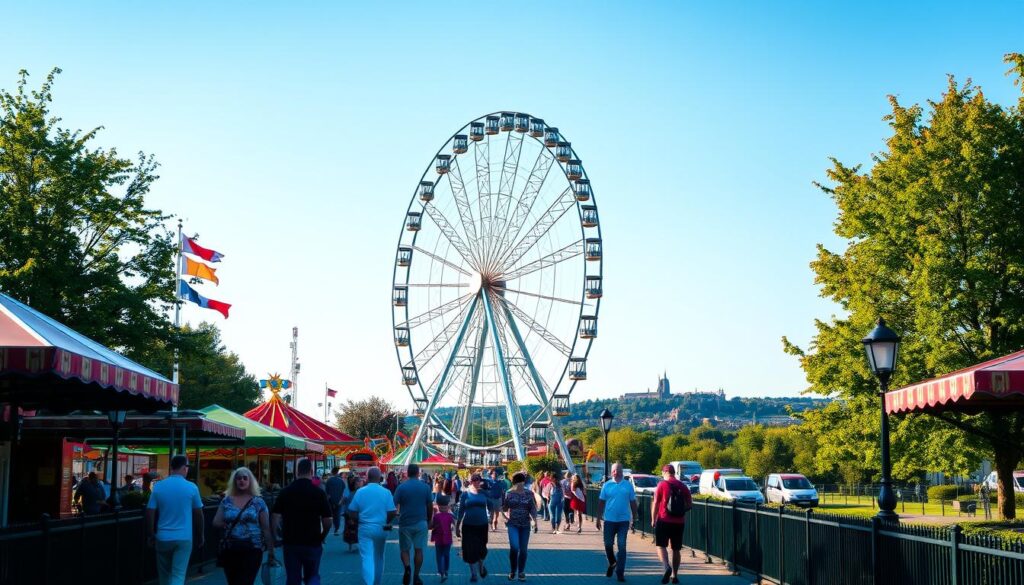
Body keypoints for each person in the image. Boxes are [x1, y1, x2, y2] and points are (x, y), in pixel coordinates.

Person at [271, 458, 332, 585]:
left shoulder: (285, 492)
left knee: (293, 578)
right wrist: (322, 536)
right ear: (311, 471)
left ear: (296, 472)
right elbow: (327, 520)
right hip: (313, 541)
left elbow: (275, 517)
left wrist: (277, 535)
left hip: (291, 542)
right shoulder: (319, 493)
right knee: (313, 576)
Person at [146, 455, 204, 585]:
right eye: (187, 467)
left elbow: (150, 512)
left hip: (162, 536)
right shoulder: (192, 487)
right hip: (184, 537)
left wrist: (151, 534)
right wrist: (200, 535)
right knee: (178, 575)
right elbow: (198, 514)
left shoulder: (159, 487)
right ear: (184, 468)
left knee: (164, 575)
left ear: (171, 467)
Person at [213, 467, 276, 585]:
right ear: (235, 481)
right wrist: (225, 524)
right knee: (233, 582)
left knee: (246, 581)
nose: (241, 481)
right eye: (238, 478)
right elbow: (216, 521)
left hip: (252, 549)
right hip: (231, 549)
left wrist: (271, 551)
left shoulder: (258, 502)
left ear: (250, 481)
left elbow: (266, 528)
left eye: (244, 478)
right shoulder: (226, 501)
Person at [348, 467, 397, 585]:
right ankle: (377, 582)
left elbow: (351, 511)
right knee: (379, 557)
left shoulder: (361, 492)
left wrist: (358, 520)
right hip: (381, 527)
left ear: (367, 477)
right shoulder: (386, 492)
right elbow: (392, 512)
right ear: (379, 478)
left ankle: (369, 582)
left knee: (367, 557)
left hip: (365, 527)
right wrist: (386, 521)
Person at [596, 463, 638, 582]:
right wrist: (598, 518)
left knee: (622, 546)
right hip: (609, 520)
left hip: (623, 521)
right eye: (614, 470)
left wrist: (634, 518)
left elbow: (633, 503)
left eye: (618, 470)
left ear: (622, 471)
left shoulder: (628, 485)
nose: (616, 472)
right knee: (608, 544)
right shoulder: (607, 485)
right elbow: (601, 502)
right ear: (611, 472)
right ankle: (612, 562)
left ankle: (620, 572)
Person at [651, 464, 692, 584]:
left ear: (664, 473)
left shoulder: (662, 484)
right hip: (679, 522)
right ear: (674, 473)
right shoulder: (683, 486)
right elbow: (689, 505)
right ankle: (674, 575)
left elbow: (656, 503)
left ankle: (666, 566)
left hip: (664, 519)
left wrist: (653, 519)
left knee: (661, 545)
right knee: (676, 549)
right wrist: (680, 511)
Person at [394, 464, 434, 585]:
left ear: (407, 473)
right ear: (418, 473)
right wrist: (429, 519)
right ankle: (416, 576)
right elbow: (430, 505)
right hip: (421, 522)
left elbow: (394, 504)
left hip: (405, 522)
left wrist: (394, 516)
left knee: (404, 549)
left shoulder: (401, 487)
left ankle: (407, 567)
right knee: (419, 550)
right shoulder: (425, 487)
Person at [502, 472, 538, 581]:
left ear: (523, 482)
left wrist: (535, 521)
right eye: (517, 483)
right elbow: (504, 508)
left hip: (525, 525)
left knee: (523, 550)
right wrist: (504, 516)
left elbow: (533, 508)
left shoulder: (529, 494)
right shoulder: (509, 493)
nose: (519, 485)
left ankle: (521, 572)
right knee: (514, 548)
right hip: (513, 524)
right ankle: (513, 571)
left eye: (521, 482)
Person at [456, 473, 491, 582]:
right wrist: (457, 526)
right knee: (470, 550)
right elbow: (461, 510)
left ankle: (481, 567)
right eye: (474, 480)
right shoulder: (465, 494)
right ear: (470, 481)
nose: (476, 482)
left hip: (482, 525)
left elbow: (491, 506)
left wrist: (492, 516)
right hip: (468, 526)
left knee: (481, 549)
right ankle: (473, 574)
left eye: (478, 480)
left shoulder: (484, 493)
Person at [431, 494, 456, 582]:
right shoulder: (439, 516)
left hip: (443, 538)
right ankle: (443, 571)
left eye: (445, 508)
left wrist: (454, 527)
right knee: (443, 555)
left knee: (443, 555)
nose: (443, 509)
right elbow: (432, 525)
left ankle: (443, 571)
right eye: (442, 508)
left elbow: (453, 523)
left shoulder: (442, 516)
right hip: (443, 538)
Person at [343, 473, 364, 552]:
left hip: (349, 513)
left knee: (350, 529)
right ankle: (355, 545)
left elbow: (346, 501)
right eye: (359, 482)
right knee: (356, 529)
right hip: (355, 514)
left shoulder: (351, 493)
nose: (361, 483)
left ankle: (351, 546)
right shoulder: (359, 493)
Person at [325, 467, 346, 536]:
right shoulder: (341, 481)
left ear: (332, 472)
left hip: (331, 501)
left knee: (331, 515)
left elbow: (327, 492)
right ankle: (336, 528)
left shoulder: (329, 481)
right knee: (337, 515)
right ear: (337, 472)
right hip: (339, 501)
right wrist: (341, 500)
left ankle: (331, 527)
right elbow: (343, 492)